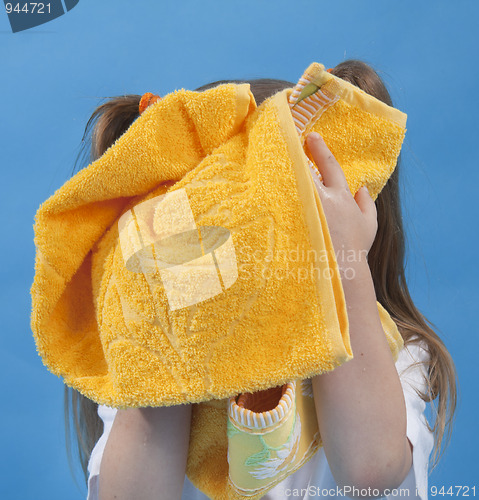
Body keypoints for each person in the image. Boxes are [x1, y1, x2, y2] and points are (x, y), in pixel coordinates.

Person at [64, 60, 457, 500]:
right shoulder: (134, 368)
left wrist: (343, 263)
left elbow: (370, 474)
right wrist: (170, 316)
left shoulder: (396, 351)